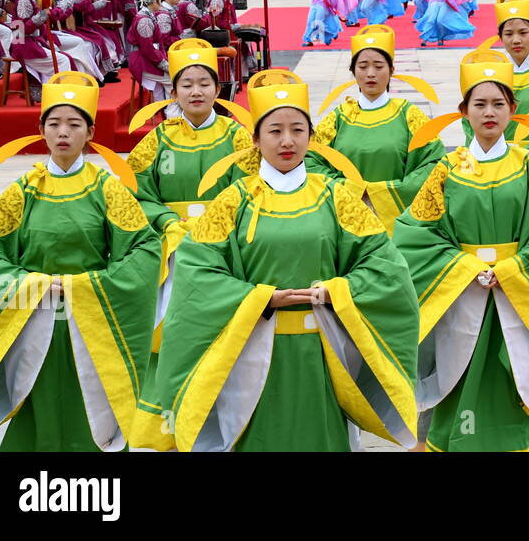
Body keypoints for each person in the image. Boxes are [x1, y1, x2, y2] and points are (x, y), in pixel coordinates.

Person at [152, 69, 421, 451]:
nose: (287, 141)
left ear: (311, 138)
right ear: (255, 139)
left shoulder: (335, 197)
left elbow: (384, 266)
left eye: (297, 130)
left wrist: (337, 290)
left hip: (324, 352)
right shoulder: (234, 200)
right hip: (251, 351)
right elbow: (199, 274)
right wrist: (261, 298)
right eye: (275, 131)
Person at [392, 51, 529, 451]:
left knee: (515, 379)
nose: (489, 113)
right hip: (463, 293)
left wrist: (514, 270)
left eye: (499, 104)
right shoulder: (446, 169)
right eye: (479, 104)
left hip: (518, 294)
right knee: (461, 380)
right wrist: (463, 268)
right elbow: (415, 234)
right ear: (463, 111)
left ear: (513, 110)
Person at [0, 73, 159, 451]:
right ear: (40, 129)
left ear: (90, 132)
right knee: (37, 403)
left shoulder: (107, 189)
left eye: (74, 124)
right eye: (54, 123)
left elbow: (144, 250)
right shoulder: (23, 191)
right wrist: (29, 284)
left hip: (89, 320)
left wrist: (89, 287)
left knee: (85, 405)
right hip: (32, 318)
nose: (63, 133)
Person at [123, 39, 255, 449]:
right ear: (173, 91)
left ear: (219, 89)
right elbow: (133, 193)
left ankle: (226, 414)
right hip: (171, 251)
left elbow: (252, 191)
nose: (196, 92)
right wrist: (165, 220)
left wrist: (218, 223)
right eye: (186, 84)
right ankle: (164, 418)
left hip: (222, 251)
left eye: (204, 83)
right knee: (169, 333)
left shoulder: (237, 137)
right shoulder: (157, 139)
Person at [311, 24, 446, 231]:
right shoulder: (337, 119)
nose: (370, 73)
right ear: (353, 72)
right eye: (363, 66)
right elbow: (312, 161)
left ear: (391, 70)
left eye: (379, 66)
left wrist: (382, 195)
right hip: (348, 221)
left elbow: (433, 163)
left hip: (399, 224)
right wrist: (353, 192)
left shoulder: (409, 115)